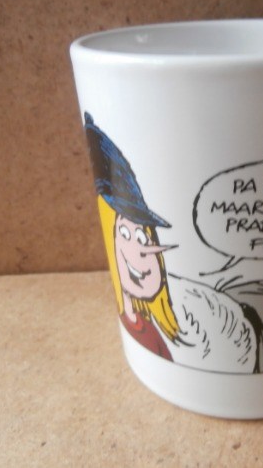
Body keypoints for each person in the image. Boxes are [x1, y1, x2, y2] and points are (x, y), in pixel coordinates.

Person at [84, 113, 179, 360]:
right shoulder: (144, 335)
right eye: (124, 233)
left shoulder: (153, 335)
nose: (141, 251)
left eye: (144, 238)